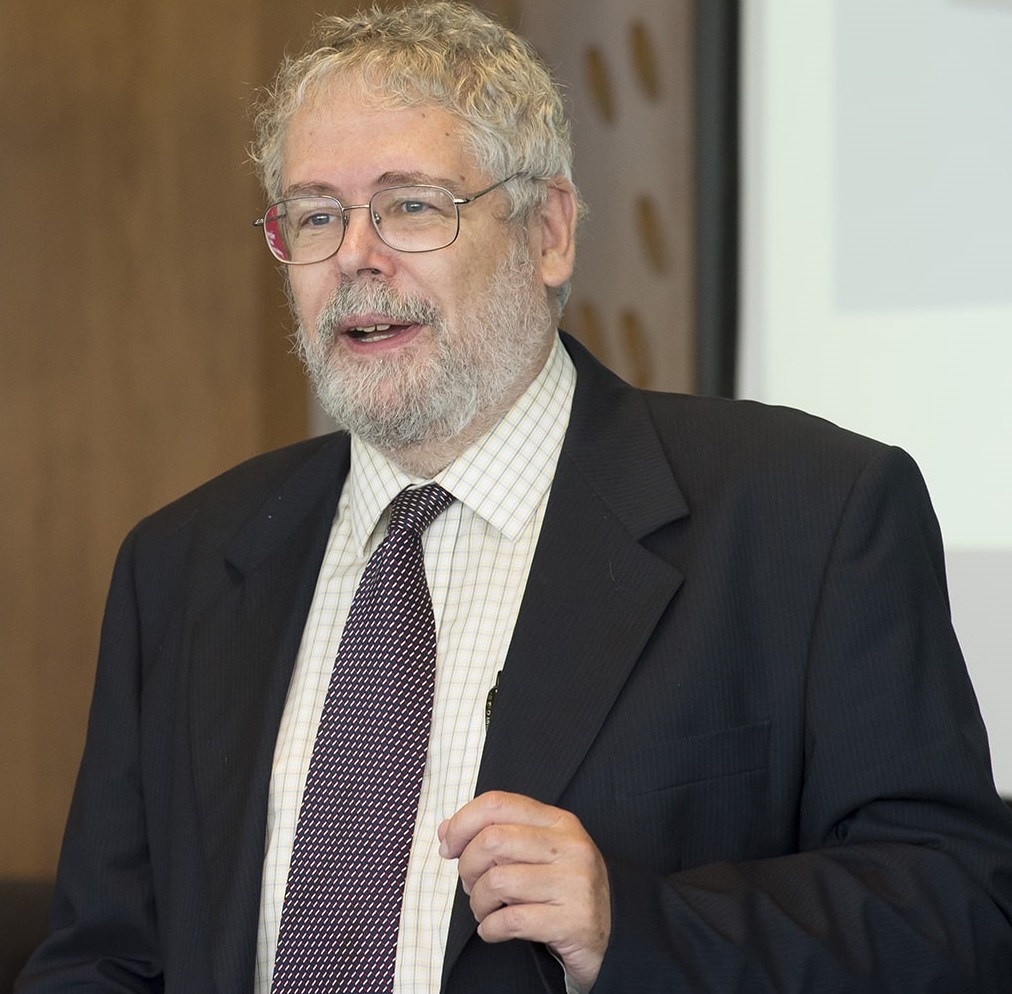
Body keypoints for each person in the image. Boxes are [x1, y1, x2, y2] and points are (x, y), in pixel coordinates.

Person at [17, 3, 1012, 992]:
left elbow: (957, 909)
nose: (355, 255)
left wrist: (637, 925)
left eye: (411, 205)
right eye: (317, 215)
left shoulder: (810, 515)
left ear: (548, 231)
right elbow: (106, 957)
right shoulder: (183, 562)